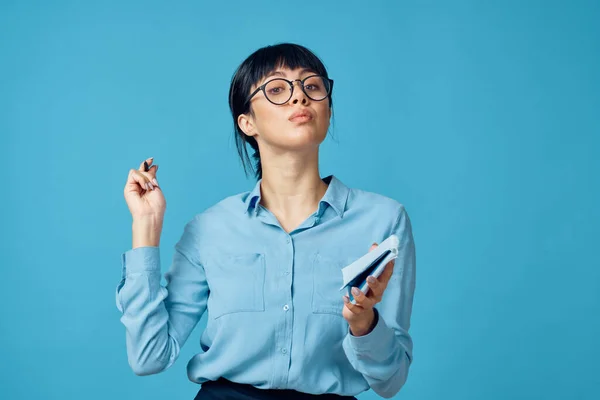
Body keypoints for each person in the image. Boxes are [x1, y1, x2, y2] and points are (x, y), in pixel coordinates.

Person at [117, 43, 416, 400]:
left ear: (328, 110)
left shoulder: (383, 220)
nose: (300, 98)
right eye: (277, 89)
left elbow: (392, 380)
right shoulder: (209, 229)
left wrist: (364, 323)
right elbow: (149, 356)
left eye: (313, 86)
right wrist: (146, 227)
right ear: (247, 122)